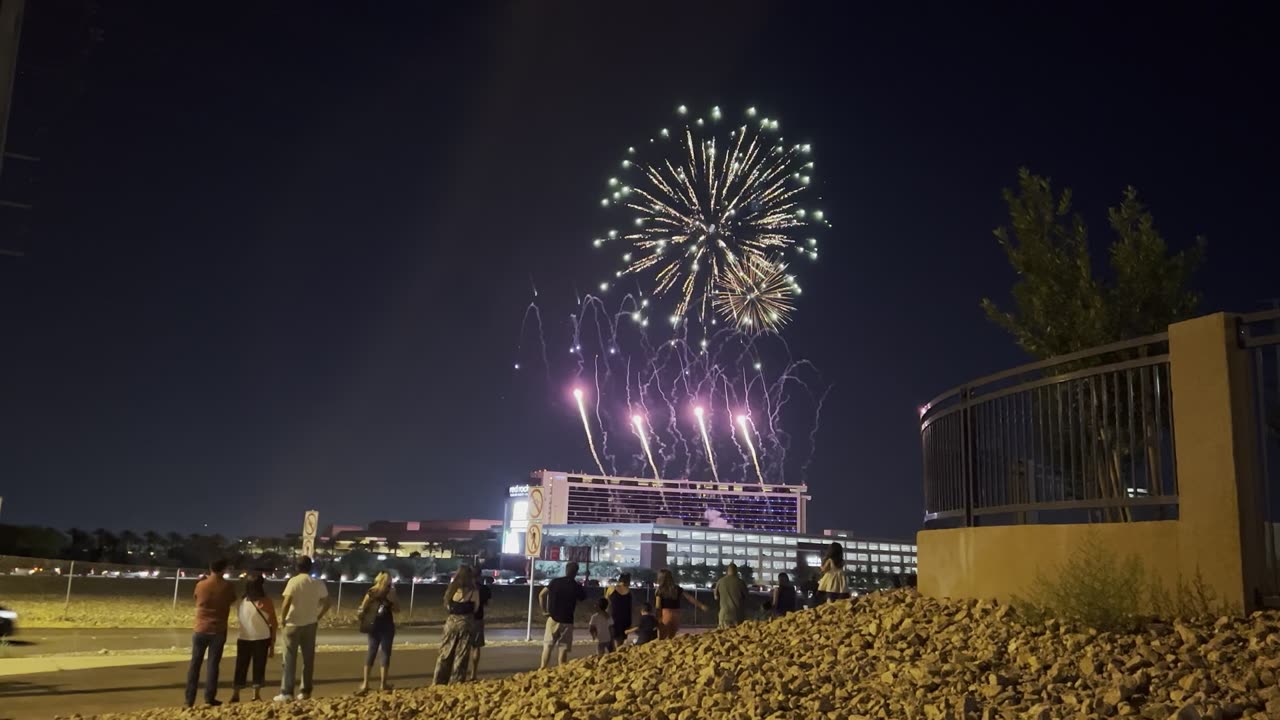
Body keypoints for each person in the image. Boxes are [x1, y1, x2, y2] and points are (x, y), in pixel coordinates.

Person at [274, 556, 331, 702]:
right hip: (310, 623)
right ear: (310, 567)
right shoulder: (317, 583)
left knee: (289, 659)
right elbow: (327, 603)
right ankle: (305, 691)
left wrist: (282, 619)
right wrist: (318, 616)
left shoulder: (293, 581)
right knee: (308, 659)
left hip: (293, 623)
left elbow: (287, 602)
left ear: (297, 567)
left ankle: (287, 692)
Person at [186, 558, 236, 708]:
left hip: (200, 628)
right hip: (218, 629)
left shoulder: (201, 585)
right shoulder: (227, 586)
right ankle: (209, 697)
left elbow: (196, 598)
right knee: (213, 665)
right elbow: (232, 600)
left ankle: (189, 699)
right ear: (223, 570)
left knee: (195, 663)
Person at [230, 571, 277, 703]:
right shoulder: (266, 602)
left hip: (244, 637)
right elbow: (273, 623)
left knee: (241, 666)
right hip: (262, 638)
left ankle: (236, 693)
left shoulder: (242, 601)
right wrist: (273, 642)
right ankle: (256, 694)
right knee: (259, 666)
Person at [433, 565, 477, 685]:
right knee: (461, 654)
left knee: (445, 652)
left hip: (451, 622)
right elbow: (476, 607)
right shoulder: (473, 591)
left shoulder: (452, 588)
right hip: (465, 622)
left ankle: (439, 680)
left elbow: (446, 604)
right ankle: (457, 680)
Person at [356, 571, 398, 694]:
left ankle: (365, 683)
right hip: (387, 626)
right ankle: (383, 684)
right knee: (385, 654)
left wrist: (361, 616)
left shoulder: (371, 591)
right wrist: (393, 599)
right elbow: (397, 609)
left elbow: (362, 607)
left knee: (371, 652)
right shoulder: (390, 593)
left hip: (373, 626)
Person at [538, 561, 586, 668]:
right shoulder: (576, 586)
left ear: (566, 569)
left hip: (553, 619)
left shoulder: (555, 582)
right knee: (563, 648)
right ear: (576, 572)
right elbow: (582, 598)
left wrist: (544, 611)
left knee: (548, 646)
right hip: (567, 621)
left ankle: (542, 668)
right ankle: (561, 671)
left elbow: (541, 595)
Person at [653, 568, 707, 640]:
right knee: (671, 638)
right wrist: (701, 605)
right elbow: (689, 598)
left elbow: (658, 606)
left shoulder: (660, 590)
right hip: (676, 615)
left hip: (665, 614)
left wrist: (658, 619)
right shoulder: (677, 589)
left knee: (661, 639)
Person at [468, 576, 493, 681]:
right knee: (476, 646)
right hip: (478, 618)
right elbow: (488, 603)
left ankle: (461, 671)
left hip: (465, 618)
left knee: (463, 647)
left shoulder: (466, 588)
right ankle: (473, 673)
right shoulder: (484, 589)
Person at [713, 563, 748, 628]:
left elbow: (716, 597)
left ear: (727, 571)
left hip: (724, 614)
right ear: (736, 571)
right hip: (738, 615)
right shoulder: (741, 582)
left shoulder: (720, 582)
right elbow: (746, 597)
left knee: (723, 635)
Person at [604, 573, 633, 648]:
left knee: (611, 638)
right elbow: (630, 607)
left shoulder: (612, 589)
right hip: (626, 618)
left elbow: (605, 602)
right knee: (621, 641)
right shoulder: (629, 592)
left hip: (614, 617)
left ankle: (611, 654)